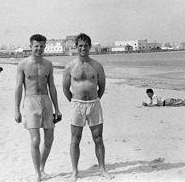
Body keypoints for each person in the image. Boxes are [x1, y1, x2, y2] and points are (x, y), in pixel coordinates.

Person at [62, 33, 114, 181]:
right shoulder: (70, 66)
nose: (83, 48)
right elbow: (66, 88)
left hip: (94, 104)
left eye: (85, 45)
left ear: (90, 47)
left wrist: (93, 100)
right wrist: (75, 102)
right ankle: (74, 172)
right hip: (77, 105)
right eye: (80, 45)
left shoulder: (97, 66)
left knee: (98, 138)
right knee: (75, 139)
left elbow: (101, 87)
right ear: (76, 47)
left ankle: (102, 169)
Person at [14, 34, 62, 182]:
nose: (39, 49)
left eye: (42, 46)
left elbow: (52, 86)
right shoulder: (23, 65)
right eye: (36, 46)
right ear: (30, 46)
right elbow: (18, 88)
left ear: (44, 47)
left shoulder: (48, 64)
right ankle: (37, 173)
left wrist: (57, 108)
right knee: (35, 140)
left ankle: (42, 167)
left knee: (49, 139)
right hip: (30, 101)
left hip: (46, 101)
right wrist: (16, 110)